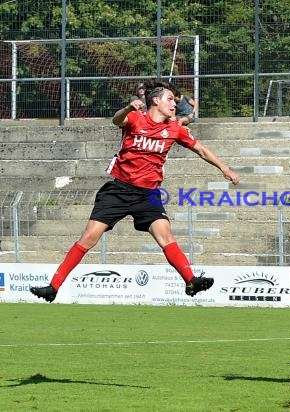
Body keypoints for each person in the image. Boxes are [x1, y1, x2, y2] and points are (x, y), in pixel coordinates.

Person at [30, 80, 240, 303]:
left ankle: (191, 280)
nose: (174, 104)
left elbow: (201, 150)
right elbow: (116, 120)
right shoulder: (135, 118)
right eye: (170, 99)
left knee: (166, 236)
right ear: (156, 101)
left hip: (148, 195)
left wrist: (225, 168)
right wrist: (128, 108)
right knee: (89, 237)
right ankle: (53, 286)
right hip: (118, 190)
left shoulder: (174, 129)